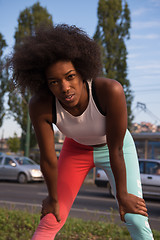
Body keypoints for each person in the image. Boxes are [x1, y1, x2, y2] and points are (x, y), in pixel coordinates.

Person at [10, 24, 154, 240]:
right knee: (51, 218)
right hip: (75, 149)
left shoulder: (109, 91)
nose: (65, 87)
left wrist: (122, 195)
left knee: (134, 217)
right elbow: (48, 159)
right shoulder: (40, 105)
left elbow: (115, 149)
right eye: (54, 82)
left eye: (70, 76)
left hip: (116, 148)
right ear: (44, 84)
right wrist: (52, 197)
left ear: (81, 72)